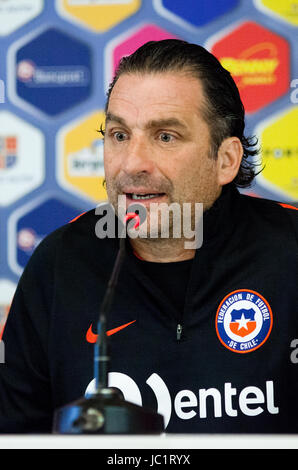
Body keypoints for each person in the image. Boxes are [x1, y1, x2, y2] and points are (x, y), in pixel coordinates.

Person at [0, 39, 297, 434]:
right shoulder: (60, 263)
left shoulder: (290, 249)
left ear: (225, 160)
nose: (132, 163)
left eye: (165, 137)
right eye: (119, 135)